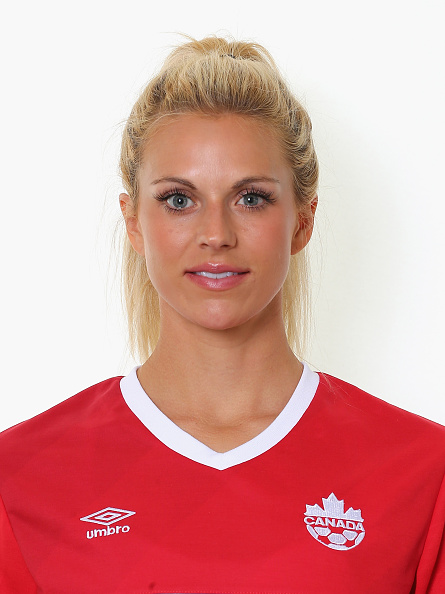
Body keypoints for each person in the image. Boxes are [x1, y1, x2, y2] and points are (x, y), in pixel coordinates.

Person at [0, 35, 444, 594]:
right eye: (179, 200)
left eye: (251, 198)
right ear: (134, 222)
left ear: (303, 221)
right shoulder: (19, 477)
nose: (216, 234)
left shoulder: (424, 472)